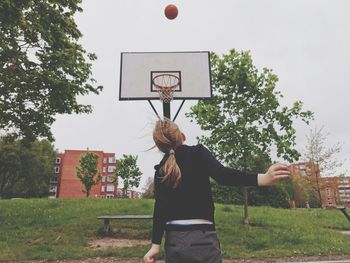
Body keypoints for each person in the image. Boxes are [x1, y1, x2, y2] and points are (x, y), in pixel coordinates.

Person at [143, 118, 291, 263]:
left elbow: (160, 209)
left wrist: (155, 246)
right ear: (182, 136)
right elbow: (223, 175)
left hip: (175, 242)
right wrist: (262, 178)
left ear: (160, 147)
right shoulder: (198, 153)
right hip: (203, 239)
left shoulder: (161, 170)